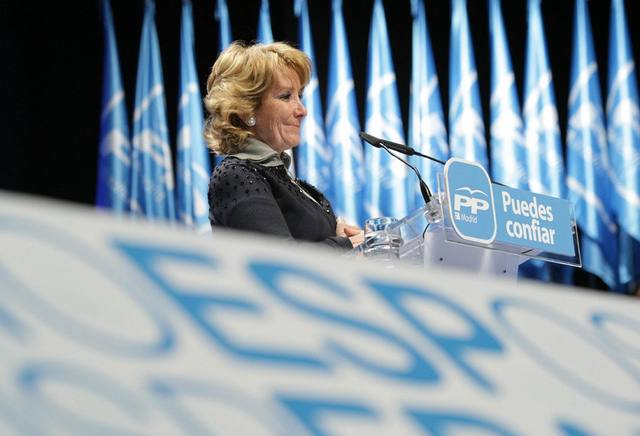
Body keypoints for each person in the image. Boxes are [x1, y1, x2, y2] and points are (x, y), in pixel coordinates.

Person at [203, 41, 364, 250]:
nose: (302, 110)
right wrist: (345, 245)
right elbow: (280, 260)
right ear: (245, 110)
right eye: (286, 96)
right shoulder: (235, 175)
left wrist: (343, 239)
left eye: (299, 96)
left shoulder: (291, 183)